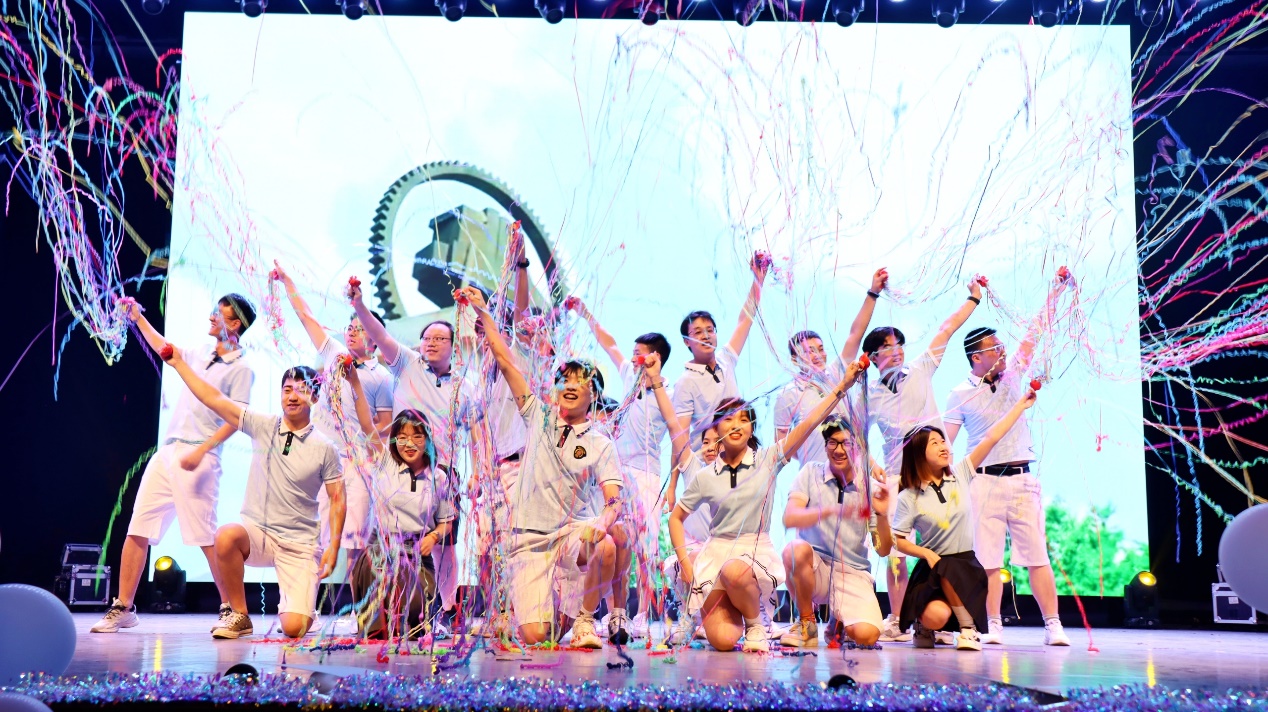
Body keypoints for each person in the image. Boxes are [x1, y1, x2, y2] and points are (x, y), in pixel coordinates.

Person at [460, 285, 629, 648]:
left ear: (594, 395)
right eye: (564, 379)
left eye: (580, 381)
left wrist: (604, 520)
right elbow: (506, 361)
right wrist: (484, 312)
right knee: (537, 636)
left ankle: (585, 620)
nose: (570, 385)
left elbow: (614, 500)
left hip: (571, 534)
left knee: (607, 546)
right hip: (530, 539)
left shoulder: (601, 443)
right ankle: (548, 609)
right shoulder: (537, 416)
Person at [668, 357, 864, 653]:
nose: (736, 425)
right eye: (728, 419)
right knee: (722, 641)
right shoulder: (705, 476)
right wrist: (685, 564)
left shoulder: (768, 459)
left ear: (751, 428)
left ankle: (755, 624)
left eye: (743, 419)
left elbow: (810, 423)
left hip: (752, 552)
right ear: (717, 427)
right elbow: (676, 518)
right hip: (716, 552)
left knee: (735, 571)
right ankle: (722, 613)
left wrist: (842, 387)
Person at [92, 294, 256, 634]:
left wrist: (203, 450)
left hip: (199, 456)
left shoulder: (242, 368)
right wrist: (137, 317)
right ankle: (124, 606)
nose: (212, 317)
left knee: (206, 537)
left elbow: (237, 419)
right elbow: (166, 349)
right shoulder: (200, 353)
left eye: (219, 313)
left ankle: (231, 608)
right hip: (167, 452)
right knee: (138, 528)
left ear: (235, 323)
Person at [158, 347, 345, 639]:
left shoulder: (325, 447)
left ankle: (302, 605)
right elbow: (214, 399)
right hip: (260, 534)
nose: (292, 396)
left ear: (315, 397)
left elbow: (337, 498)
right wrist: (180, 364)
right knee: (226, 536)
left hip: (300, 544)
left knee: (294, 629)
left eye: (301, 390)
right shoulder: (264, 425)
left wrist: (333, 547)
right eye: (287, 390)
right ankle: (240, 615)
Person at [944, 268, 1073, 646]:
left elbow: (1036, 331)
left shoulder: (1015, 374)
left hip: (1022, 478)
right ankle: (993, 625)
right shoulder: (958, 393)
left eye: (1002, 347)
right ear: (976, 357)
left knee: (1037, 556)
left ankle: (1053, 624)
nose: (1003, 352)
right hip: (982, 481)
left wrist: (1056, 288)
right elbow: (946, 442)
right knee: (987, 560)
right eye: (995, 349)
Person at [349, 279, 477, 637]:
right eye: (427, 338)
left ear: (453, 346)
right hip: (396, 467)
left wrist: (477, 474)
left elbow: (476, 433)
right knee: (384, 538)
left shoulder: (465, 387)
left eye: (439, 339)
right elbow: (380, 334)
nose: (431, 343)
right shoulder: (406, 362)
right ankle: (380, 608)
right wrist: (359, 305)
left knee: (444, 544)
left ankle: (447, 610)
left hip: (441, 471)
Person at [860, 276, 985, 642]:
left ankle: (937, 620)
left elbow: (947, 328)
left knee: (941, 547)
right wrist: (871, 465)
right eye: (886, 346)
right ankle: (896, 618)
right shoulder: (869, 394)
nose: (896, 350)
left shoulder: (920, 368)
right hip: (897, 478)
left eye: (898, 343)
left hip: (935, 475)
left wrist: (973, 299)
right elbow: (855, 436)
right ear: (873, 357)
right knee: (895, 553)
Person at [570, 297, 689, 639]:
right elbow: (608, 343)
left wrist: (671, 486)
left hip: (648, 476)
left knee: (645, 548)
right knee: (616, 538)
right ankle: (611, 613)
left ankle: (642, 615)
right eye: (634, 352)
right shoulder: (627, 376)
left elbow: (678, 440)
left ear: (656, 357)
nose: (633, 357)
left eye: (640, 353)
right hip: (617, 474)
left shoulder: (670, 393)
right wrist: (585, 313)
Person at [272, 262, 394, 579]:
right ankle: (304, 597)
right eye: (350, 327)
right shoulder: (335, 353)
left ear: (375, 338)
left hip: (356, 464)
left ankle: (357, 604)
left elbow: (386, 424)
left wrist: (364, 443)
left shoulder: (382, 376)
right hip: (320, 458)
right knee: (313, 534)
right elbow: (306, 317)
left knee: (355, 542)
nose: (351, 332)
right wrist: (288, 281)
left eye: (360, 328)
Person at [891, 388, 1038, 651]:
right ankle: (925, 625)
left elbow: (991, 437)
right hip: (933, 568)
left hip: (965, 566)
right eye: (934, 443)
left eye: (943, 441)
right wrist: (925, 553)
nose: (944, 446)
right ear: (918, 453)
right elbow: (899, 541)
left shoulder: (959, 474)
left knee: (952, 567)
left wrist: (1020, 406)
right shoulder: (909, 496)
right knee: (936, 615)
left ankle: (968, 629)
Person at [343, 364, 454, 640]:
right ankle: (375, 616)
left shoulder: (439, 476)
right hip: (380, 553)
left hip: (417, 557)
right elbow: (366, 423)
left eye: (417, 436)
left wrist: (434, 537)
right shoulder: (384, 462)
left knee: (412, 624)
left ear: (427, 440)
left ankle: (411, 613)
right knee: (377, 631)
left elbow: (446, 522)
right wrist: (355, 382)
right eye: (402, 437)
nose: (409, 443)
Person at [780, 417, 894, 648]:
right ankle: (807, 623)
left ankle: (838, 618)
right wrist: (830, 511)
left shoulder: (869, 487)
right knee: (794, 550)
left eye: (847, 443)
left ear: (858, 449)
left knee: (867, 636)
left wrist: (882, 514)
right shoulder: (810, 473)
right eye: (833, 442)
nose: (839, 450)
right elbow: (790, 517)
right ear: (825, 446)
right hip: (816, 568)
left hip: (852, 572)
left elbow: (883, 550)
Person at [774, 268, 888, 467]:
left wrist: (873, 293)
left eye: (821, 349)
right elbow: (781, 445)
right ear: (795, 359)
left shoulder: (837, 373)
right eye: (809, 351)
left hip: (854, 472)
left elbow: (855, 334)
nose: (818, 355)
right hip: (816, 476)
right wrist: (811, 457)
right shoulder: (788, 394)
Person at [673, 252, 770, 444]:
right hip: (708, 456)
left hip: (742, 447)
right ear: (686, 341)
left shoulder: (726, 359)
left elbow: (745, 320)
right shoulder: (685, 382)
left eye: (710, 330)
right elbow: (680, 436)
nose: (706, 336)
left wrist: (758, 281)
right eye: (698, 332)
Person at [661, 426, 720, 645]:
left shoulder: (735, 475)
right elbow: (676, 431)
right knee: (688, 559)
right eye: (705, 442)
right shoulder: (694, 467)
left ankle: (714, 619)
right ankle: (689, 618)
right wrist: (671, 487)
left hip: (722, 550)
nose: (710, 447)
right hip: (695, 550)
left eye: (718, 441)